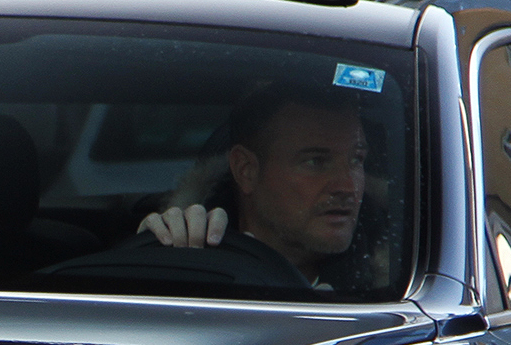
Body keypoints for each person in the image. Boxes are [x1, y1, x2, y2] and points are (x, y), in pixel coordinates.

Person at [118, 84, 367, 290]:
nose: (348, 186)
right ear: (246, 170)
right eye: (315, 162)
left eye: (356, 159)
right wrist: (158, 259)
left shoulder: (392, 287)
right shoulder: (193, 259)